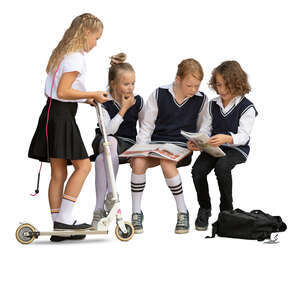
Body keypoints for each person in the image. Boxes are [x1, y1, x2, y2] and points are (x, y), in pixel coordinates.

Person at [28, 13, 109, 241]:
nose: (96, 43)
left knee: (58, 172)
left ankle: (58, 225)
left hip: (52, 113)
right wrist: (92, 93)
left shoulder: (63, 54)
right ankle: (65, 219)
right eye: (97, 37)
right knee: (83, 166)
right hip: (61, 116)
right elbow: (64, 91)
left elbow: (61, 92)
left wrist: (84, 99)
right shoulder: (75, 57)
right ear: (86, 32)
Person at [131, 58, 207, 234]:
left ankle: (182, 211)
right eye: (190, 85)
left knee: (166, 162)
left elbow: (204, 128)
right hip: (157, 144)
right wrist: (139, 150)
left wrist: (198, 143)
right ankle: (136, 212)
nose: (194, 90)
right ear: (178, 79)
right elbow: (147, 127)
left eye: (197, 85)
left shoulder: (201, 99)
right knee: (139, 161)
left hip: (182, 145)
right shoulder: (159, 94)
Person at [188, 60, 258, 231]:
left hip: (236, 148)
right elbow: (205, 129)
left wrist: (227, 139)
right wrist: (199, 142)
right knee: (197, 171)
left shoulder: (247, 107)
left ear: (237, 84)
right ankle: (204, 208)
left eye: (227, 85)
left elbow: (243, 136)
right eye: (219, 85)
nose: (222, 90)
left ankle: (227, 211)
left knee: (222, 167)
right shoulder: (212, 104)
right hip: (213, 147)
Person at [90, 54, 145, 228]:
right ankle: (112, 195)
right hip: (104, 140)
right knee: (110, 142)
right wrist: (123, 109)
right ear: (113, 84)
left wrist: (140, 151)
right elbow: (108, 131)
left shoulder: (138, 101)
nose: (130, 88)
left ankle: (98, 210)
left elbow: (145, 129)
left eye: (133, 83)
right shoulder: (103, 102)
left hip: (127, 144)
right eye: (126, 84)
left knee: (100, 160)